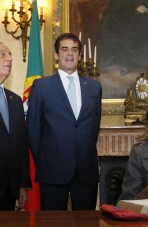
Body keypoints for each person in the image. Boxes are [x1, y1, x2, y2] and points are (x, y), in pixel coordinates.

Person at [27, 33, 102, 210]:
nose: (70, 54)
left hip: (86, 170)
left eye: (75, 50)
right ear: (56, 55)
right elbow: (33, 130)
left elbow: (93, 127)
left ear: (80, 56)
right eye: (65, 49)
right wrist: (46, 160)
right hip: (52, 169)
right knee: (52, 226)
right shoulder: (41, 86)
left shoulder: (94, 87)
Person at [0, 42, 31, 210]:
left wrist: (22, 184)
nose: (10, 59)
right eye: (2, 54)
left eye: (10, 54)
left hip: (10, 189)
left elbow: (20, 145)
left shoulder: (16, 100)